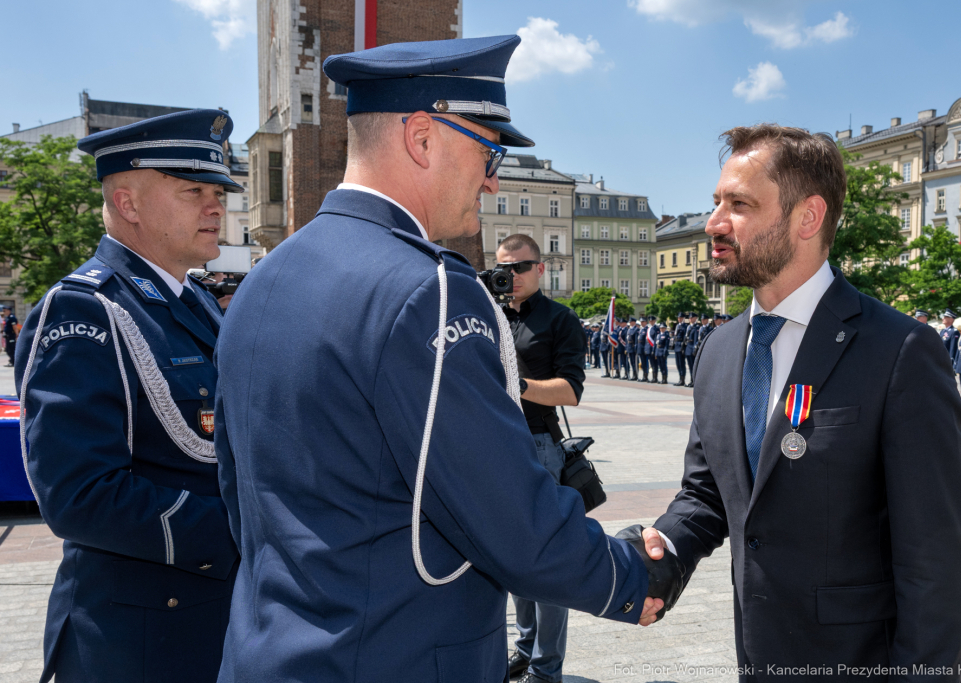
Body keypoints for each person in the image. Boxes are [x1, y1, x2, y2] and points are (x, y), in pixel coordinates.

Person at [213, 36, 664, 683]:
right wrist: (632, 573)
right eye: (488, 150)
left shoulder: (261, 282)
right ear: (422, 138)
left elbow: (241, 498)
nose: (492, 178)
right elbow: (509, 519)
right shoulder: (431, 290)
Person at [640, 124, 961, 680]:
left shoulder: (900, 350)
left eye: (739, 204)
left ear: (807, 217)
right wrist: (664, 549)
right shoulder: (719, 350)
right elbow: (708, 494)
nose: (713, 223)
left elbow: (935, 560)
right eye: (716, 202)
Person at [15, 109, 243, 683]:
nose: (216, 207)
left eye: (217, 191)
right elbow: (80, 496)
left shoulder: (188, 303)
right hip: (137, 641)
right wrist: (250, 527)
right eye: (193, 191)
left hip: (207, 622)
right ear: (128, 203)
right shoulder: (84, 310)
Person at [495, 234, 585, 683]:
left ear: (541, 268)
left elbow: (571, 390)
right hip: (495, 447)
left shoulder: (559, 319)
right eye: (504, 269)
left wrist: (517, 383)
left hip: (539, 446)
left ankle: (548, 669)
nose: (511, 276)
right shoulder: (490, 317)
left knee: (547, 560)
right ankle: (525, 648)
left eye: (521, 267)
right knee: (512, 557)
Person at [683, 312, 700, 387]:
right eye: (689, 318)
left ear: (695, 318)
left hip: (692, 348)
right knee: (690, 366)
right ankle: (691, 380)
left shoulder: (696, 327)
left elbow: (696, 339)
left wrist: (694, 349)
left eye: (691, 317)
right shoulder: (688, 327)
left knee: (694, 366)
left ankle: (694, 381)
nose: (690, 319)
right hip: (688, 348)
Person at [672, 312, 688, 386]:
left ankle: (682, 380)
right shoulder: (677, 326)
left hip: (681, 346)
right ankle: (680, 379)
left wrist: (683, 347)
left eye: (681, 318)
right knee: (678, 364)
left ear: (683, 318)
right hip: (676, 346)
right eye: (678, 318)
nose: (679, 319)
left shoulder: (685, 326)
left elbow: (685, 337)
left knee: (682, 364)